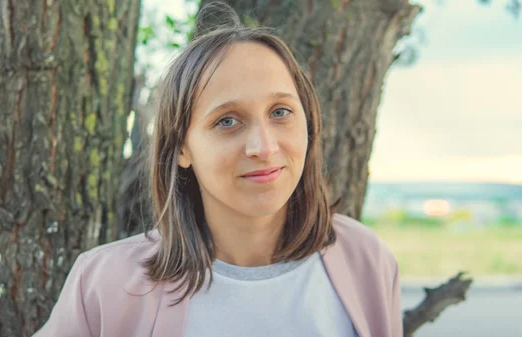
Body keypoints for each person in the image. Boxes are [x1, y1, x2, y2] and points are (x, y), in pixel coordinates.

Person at [32, 3, 402, 337]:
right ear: (181, 147)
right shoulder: (103, 286)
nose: (264, 147)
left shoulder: (366, 259)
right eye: (227, 121)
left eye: (280, 112)